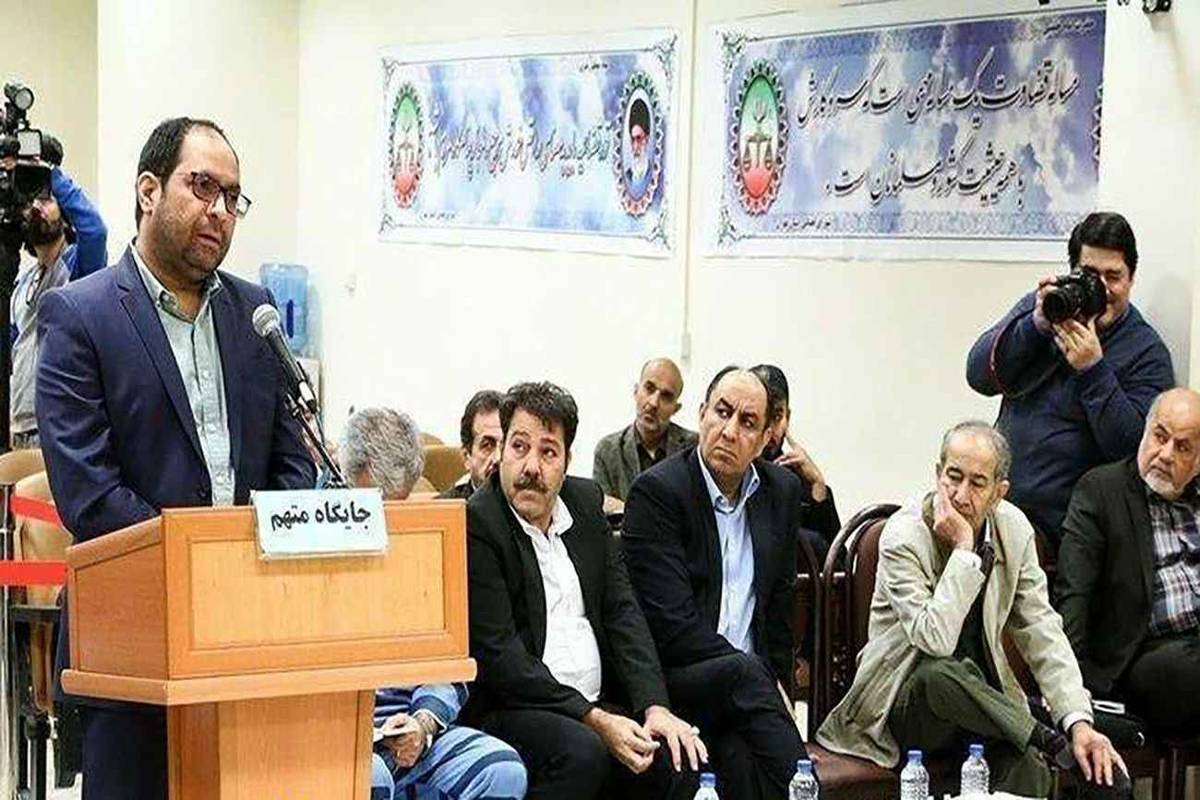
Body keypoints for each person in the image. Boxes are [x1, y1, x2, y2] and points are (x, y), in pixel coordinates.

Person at [35, 117, 315, 800]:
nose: (220, 210)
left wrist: (250, 566)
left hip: (248, 635)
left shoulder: (254, 312)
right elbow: (90, 494)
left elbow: (293, 463)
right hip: (130, 641)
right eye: (203, 187)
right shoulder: (80, 315)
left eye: (233, 197)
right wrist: (202, 570)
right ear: (149, 191)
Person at [817, 422, 1126, 798]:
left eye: (978, 483)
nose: (961, 495)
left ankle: (1041, 740)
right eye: (953, 477)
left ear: (999, 492)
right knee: (940, 675)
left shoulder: (1014, 530)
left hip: (984, 710)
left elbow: (1042, 630)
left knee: (1028, 767)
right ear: (938, 473)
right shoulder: (904, 536)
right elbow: (934, 640)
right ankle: (1042, 736)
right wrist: (964, 550)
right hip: (906, 709)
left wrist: (1078, 722)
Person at [465, 381, 706, 800]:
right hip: (516, 707)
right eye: (519, 447)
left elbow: (622, 612)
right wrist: (593, 718)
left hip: (595, 703)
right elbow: (503, 659)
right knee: (583, 753)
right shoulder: (480, 522)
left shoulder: (585, 504)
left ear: (566, 461)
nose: (531, 466)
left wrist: (655, 707)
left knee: (675, 755)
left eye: (548, 452)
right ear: (502, 451)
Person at [621, 366, 807, 800]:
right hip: (682, 678)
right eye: (722, 413)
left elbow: (778, 614)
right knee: (745, 673)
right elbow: (673, 628)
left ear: (766, 438)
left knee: (741, 765)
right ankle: (808, 791)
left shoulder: (781, 493)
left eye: (747, 422)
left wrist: (774, 681)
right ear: (702, 413)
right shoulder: (658, 492)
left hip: (748, 694)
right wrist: (761, 678)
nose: (729, 431)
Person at [337, 408, 528, 800]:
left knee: (502, 770)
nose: (381, 518)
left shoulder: (428, 544)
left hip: (412, 724)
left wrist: (423, 724)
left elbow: (448, 664)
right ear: (347, 478)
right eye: (371, 501)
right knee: (370, 776)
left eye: (395, 502)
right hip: (339, 732)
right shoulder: (312, 545)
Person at [966, 212, 1174, 550]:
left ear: (1132, 279)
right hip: (993, 501)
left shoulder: (1147, 352)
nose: (1101, 289)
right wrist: (1034, 326)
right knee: (898, 534)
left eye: (1113, 277)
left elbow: (1134, 452)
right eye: (1089, 275)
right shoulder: (1050, 306)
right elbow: (977, 375)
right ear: (1072, 270)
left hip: (1064, 527)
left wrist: (1093, 370)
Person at [1057, 388, 1200, 738]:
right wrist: (1070, 691)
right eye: (1160, 436)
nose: (1165, 454)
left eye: (1182, 447)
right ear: (1144, 431)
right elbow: (1073, 593)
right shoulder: (1101, 490)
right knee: (1180, 670)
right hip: (1144, 656)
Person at [9, 144, 107, 449]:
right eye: (30, 202)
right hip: (20, 425)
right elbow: (14, 353)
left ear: (65, 216)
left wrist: (47, 171)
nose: (36, 207)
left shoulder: (78, 267)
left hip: (59, 424)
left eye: (46, 199)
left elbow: (95, 230)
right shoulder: (21, 284)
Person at [751, 363, 840, 561]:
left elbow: (838, 566)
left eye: (776, 417)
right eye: (761, 417)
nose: (770, 430)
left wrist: (818, 486)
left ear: (787, 417)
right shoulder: (728, 471)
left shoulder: (797, 476)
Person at [593, 358, 697, 510]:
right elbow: (600, 510)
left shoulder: (693, 449)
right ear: (636, 391)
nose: (653, 403)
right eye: (649, 388)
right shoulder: (608, 451)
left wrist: (626, 508)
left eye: (666, 396)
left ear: (676, 408)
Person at [441, 389, 503, 500]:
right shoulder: (446, 508)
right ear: (466, 457)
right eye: (487, 445)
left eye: (505, 446)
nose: (498, 458)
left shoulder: (531, 505)